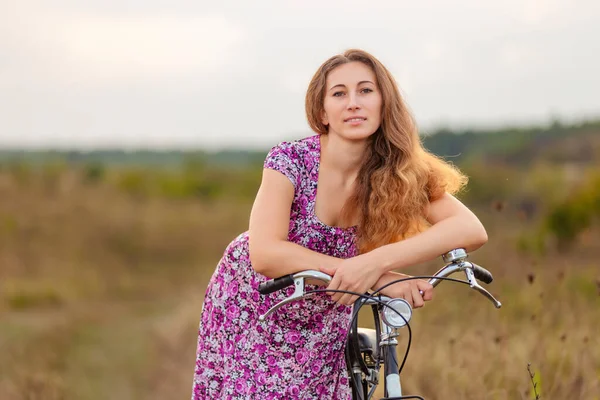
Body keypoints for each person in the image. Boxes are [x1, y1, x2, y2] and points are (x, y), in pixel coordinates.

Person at [191, 49, 488, 399]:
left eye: (365, 90)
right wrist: (372, 277)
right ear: (322, 112)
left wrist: (376, 264)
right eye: (339, 93)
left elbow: (470, 230)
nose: (353, 103)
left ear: (384, 102)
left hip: (327, 310)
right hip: (255, 303)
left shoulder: (399, 172)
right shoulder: (289, 161)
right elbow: (266, 253)